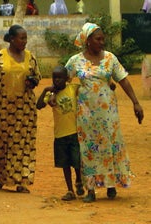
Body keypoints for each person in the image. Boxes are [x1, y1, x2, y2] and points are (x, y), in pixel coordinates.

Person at [65, 22, 144, 203]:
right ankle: (91, 189)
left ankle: (110, 185)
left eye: (103, 39)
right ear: (87, 41)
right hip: (86, 115)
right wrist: (52, 94)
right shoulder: (75, 61)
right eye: (98, 39)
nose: (102, 42)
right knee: (89, 149)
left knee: (110, 145)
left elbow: (123, 79)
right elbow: (64, 80)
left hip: (109, 114)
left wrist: (136, 102)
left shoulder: (110, 58)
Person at [0, 24, 41, 193]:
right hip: (2, 109)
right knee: (1, 144)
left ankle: (21, 181)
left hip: (25, 109)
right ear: (12, 39)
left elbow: (36, 78)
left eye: (26, 38)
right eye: (22, 38)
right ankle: (2, 177)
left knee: (23, 145)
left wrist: (32, 82)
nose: (25, 42)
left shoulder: (30, 57)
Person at [36, 66, 84, 201]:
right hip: (60, 135)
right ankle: (70, 190)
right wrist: (46, 90)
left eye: (60, 78)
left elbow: (86, 89)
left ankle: (79, 180)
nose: (57, 80)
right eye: (54, 78)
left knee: (77, 161)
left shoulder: (72, 88)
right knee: (65, 164)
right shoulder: (51, 94)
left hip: (74, 133)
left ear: (66, 79)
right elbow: (38, 105)